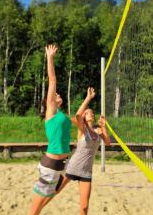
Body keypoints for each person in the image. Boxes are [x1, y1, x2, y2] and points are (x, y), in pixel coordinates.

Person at [42, 87, 111, 215]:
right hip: (72, 167)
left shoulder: (97, 131)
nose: (90, 113)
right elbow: (77, 115)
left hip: (86, 171)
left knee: (84, 207)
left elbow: (108, 142)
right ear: (84, 117)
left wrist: (103, 127)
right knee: (54, 193)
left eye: (91, 112)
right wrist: (88, 98)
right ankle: (37, 209)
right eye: (87, 112)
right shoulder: (82, 129)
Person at [29, 44, 72, 215]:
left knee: (54, 192)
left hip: (62, 164)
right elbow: (52, 79)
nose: (57, 94)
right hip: (51, 164)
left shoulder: (62, 115)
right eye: (54, 95)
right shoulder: (51, 111)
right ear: (49, 101)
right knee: (34, 210)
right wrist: (50, 57)